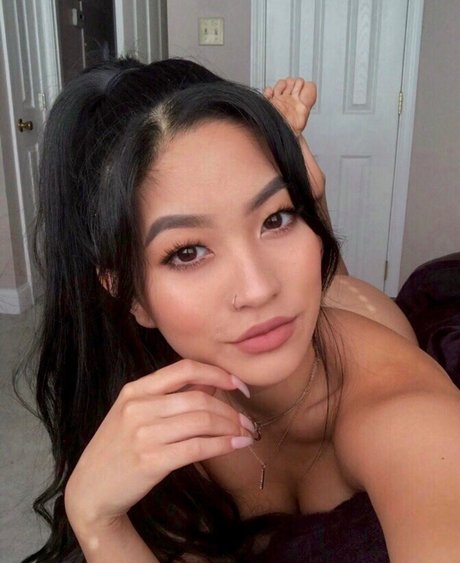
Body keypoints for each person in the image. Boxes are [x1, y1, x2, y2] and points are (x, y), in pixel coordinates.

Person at [22, 57, 460, 563]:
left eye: (277, 217)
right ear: (131, 296)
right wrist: (94, 517)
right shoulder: (144, 400)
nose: (257, 289)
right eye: (187, 252)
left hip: (362, 315)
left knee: (334, 287)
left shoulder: (411, 418)